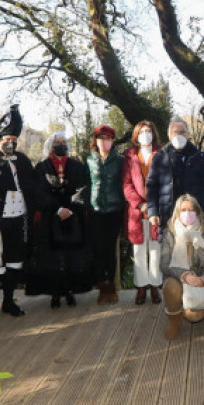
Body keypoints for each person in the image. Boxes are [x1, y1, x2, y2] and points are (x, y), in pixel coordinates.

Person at [0, 105, 49, 328]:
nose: (10, 142)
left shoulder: (22, 160)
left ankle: (8, 302)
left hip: (19, 218)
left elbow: (32, 186)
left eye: (14, 138)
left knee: (15, 262)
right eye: (6, 138)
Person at [30, 132, 93, 308]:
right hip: (51, 219)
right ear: (51, 145)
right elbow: (38, 192)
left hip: (73, 219)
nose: (61, 144)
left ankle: (71, 292)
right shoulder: (42, 167)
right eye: (57, 142)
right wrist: (57, 209)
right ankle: (55, 293)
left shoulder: (77, 166)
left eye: (64, 142)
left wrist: (70, 209)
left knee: (71, 256)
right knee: (54, 258)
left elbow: (82, 188)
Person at [159, 194, 204, 339]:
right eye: (183, 210)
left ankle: (191, 310)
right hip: (178, 278)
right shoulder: (169, 232)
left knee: (195, 317)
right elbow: (164, 264)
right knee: (170, 287)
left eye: (191, 209)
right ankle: (174, 320)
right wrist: (185, 276)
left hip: (201, 279)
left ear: (198, 212)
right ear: (177, 213)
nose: (187, 213)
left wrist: (203, 280)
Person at [122, 121, 163, 305]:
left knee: (155, 250)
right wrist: (140, 204)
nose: (145, 134)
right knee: (139, 252)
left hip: (157, 211)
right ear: (136, 135)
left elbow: (166, 182)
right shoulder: (129, 156)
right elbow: (126, 184)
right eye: (142, 132)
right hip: (136, 213)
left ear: (153, 134)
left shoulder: (162, 154)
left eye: (148, 131)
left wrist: (154, 205)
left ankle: (154, 286)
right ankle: (140, 287)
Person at [146, 119, 204, 227]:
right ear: (169, 135)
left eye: (182, 132)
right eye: (175, 132)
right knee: (168, 243)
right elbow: (152, 186)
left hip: (193, 215)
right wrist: (153, 212)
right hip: (167, 215)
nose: (178, 135)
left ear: (188, 134)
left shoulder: (200, 157)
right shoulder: (159, 157)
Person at [85, 124, 125, 304]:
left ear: (113, 141)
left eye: (108, 139)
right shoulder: (88, 161)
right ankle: (102, 287)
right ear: (96, 141)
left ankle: (111, 287)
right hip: (95, 211)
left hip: (114, 210)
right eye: (101, 138)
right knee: (98, 250)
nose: (104, 142)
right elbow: (85, 187)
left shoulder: (120, 161)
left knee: (110, 250)